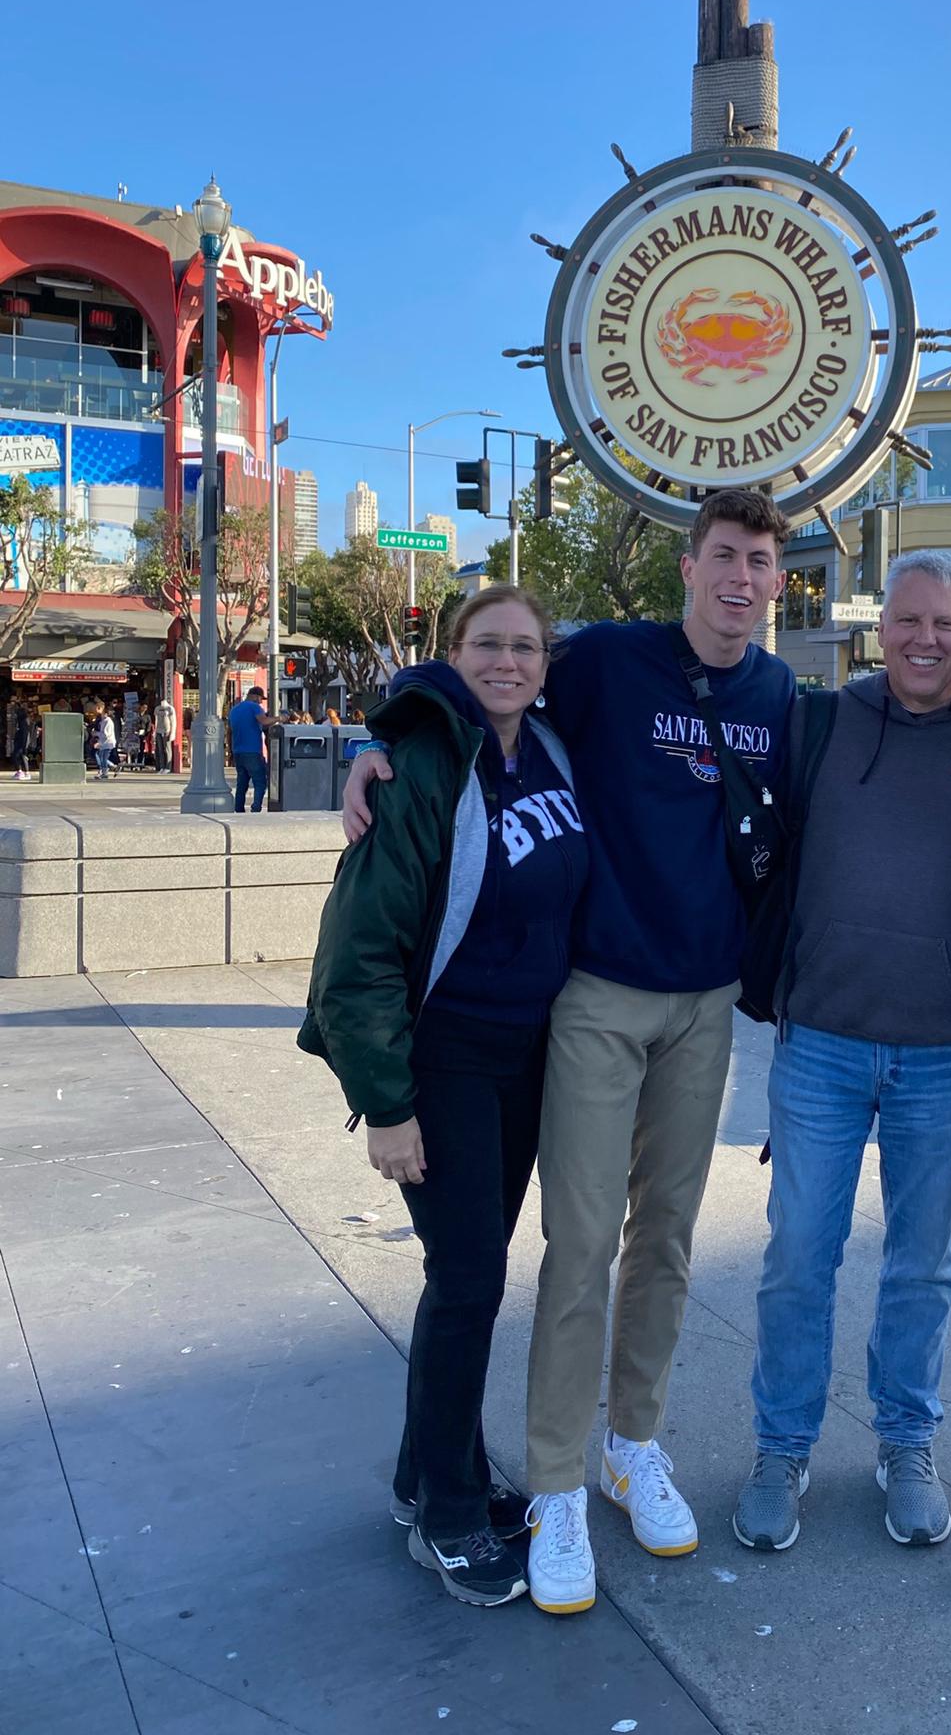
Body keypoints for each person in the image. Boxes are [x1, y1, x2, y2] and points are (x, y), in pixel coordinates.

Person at [342, 487, 795, 1615]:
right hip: (594, 996)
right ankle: (552, 1481)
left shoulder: (786, 692)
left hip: (707, 1001)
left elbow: (886, 728)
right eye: (724, 556)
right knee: (581, 1239)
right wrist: (373, 736)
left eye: (761, 562)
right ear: (689, 566)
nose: (741, 578)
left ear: (780, 581)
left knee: (671, 1240)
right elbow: (479, 678)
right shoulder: (604, 662)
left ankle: (631, 1442)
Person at [300, 585, 585, 1609]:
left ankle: (424, 1473)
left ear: (548, 664)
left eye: (525, 647)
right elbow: (357, 955)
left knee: (468, 1276)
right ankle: (452, 1516)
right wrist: (386, 1102)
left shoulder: (548, 751)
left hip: (526, 1059)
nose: (507, 662)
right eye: (487, 645)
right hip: (446, 1061)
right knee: (468, 1280)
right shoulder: (420, 764)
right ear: (450, 650)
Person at [732, 551, 951, 1554]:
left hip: (945, 1048)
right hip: (821, 1045)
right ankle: (782, 1444)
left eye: (944, 623)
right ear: (878, 625)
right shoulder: (821, 720)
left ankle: (907, 1440)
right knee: (798, 1257)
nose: (924, 639)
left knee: (920, 1267)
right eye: (908, 620)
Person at [228, 687, 270, 813]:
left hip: (238, 751)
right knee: (260, 781)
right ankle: (256, 807)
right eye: (261, 699)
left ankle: (239, 809)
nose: (261, 702)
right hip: (252, 750)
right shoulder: (255, 707)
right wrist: (279, 718)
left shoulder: (234, 710)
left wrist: (231, 751)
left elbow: (229, 732)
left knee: (242, 783)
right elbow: (264, 721)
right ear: (256, 696)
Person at [94, 701, 118, 781]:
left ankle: (104, 772)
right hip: (105, 742)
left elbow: (105, 734)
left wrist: (96, 734)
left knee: (103, 758)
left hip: (107, 743)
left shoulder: (107, 721)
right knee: (101, 757)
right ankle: (106, 770)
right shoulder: (103, 721)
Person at [154, 695, 177, 772]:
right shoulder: (157, 708)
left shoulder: (170, 708)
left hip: (167, 731)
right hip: (159, 731)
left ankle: (168, 767)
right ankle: (162, 766)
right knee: (160, 750)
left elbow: (173, 721)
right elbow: (156, 720)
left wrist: (172, 732)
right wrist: (155, 732)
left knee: (167, 749)